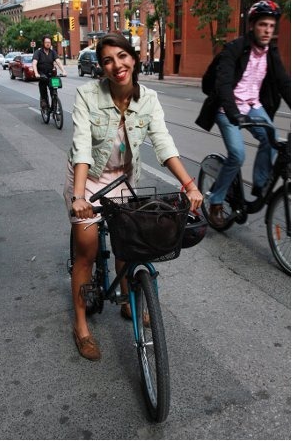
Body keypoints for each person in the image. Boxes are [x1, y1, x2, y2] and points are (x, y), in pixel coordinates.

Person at [63, 33, 203, 361]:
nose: (117, 65)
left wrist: (189, 185)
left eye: (122, 56)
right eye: (108, 60)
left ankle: (129, 300)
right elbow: (82, 146)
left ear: (134, 58)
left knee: (130, 241)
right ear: (102, 67)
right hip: (87, 178)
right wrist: (79, 196)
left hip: (122, 178)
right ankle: (81, 326)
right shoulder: (87, 95)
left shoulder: (149, 99)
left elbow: (163, 143)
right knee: (86, 249)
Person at [195, 0, 290, 228]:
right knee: (237, 155)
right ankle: (216, 200)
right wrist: (233, 113)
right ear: (252, 26)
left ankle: (260, 185)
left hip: (253, 105)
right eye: (263, 25)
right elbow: (223, 84)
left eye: (271, 26)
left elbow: (284, 84)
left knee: (272, 138)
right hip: (228, 108)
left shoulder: (270, 53)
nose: (267, 30)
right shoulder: (235, 48)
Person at [32, 35, 67, 109]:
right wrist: (36, 73)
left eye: (49, 42)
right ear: (43, 43)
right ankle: (44, 103)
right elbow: (34, 63)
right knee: (43, 91)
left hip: (51, 75)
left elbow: (58, 61)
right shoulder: (38, 52)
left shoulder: (53, 52)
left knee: (54, 92)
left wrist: (63, 71)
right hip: (42, 75)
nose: (48, 44)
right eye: (46, 42)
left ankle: (54, 108)